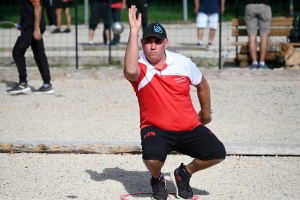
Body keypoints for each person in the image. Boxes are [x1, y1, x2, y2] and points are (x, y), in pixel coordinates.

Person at [124, 6, 226, 200]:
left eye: (157, 41)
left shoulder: (182, 62)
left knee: (217, 153)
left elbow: (203, 85)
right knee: (152, 159)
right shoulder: (140, 67)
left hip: (189, 126)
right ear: (142, 44)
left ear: (165, 43)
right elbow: (129, 70)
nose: (153, 46)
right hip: (156, 128)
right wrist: (134, 30)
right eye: (148, 42)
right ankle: (157, 179)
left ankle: (183, 174)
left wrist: (205, 114)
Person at [8, 0, 54, 95]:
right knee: (39, 53)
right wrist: (22, 20)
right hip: (32, 23)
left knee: (17, 51)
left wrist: (36, 28)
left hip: (32, 26)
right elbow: (30, 7)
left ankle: (23, 83)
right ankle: (47, 85)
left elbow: (38, 6)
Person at [245, 0, 271, 69]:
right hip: (264, 5)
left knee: (252, 36)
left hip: (250, 5)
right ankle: (262, 64)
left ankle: (254, 63)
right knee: (264, 36)